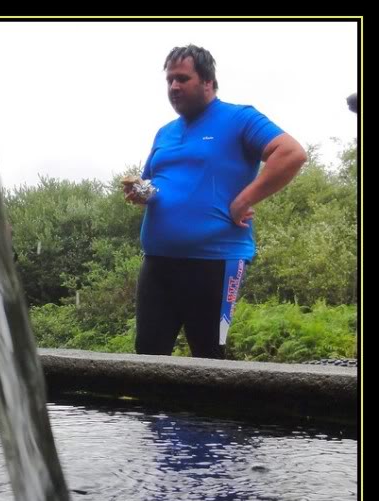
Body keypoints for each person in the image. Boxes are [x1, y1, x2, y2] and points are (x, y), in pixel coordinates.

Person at [123, 45, 307, 359]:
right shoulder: (165, 133)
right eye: (169, 80)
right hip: (157, 263)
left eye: (183, 78)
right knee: (148, 356)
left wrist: (244, 199)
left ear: (208, 81)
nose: (174, 87)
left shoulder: (239, 118)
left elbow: (291, 153)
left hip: (216, 263)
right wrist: (141, 193)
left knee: (209, 357)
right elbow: (154, 182)